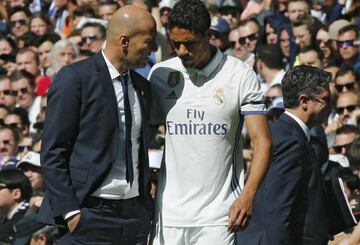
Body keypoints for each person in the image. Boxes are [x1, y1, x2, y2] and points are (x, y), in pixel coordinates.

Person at [148, 0, 271, 244]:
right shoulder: (160, 74)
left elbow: (263, 142)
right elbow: (144, 137)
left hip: (219, 216)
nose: (182, 51)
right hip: (168, 215)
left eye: (190, 43)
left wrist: (248, 195)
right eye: (176, 43)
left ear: (209, 35)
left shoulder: (239, 75)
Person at [38, 5, 157, 244]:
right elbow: (52, 151)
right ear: (124, 41)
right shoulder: (74, 79)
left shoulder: (143, 87)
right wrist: (71, 212)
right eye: (148, 42)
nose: (153, 49)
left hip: (134, 218)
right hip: (89, 216)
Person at [237, 65, 331, 244]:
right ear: (304, 101)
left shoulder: (281, 132)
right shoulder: (290, 141)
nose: (329, 105)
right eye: (325, 99)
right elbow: (276, 210)